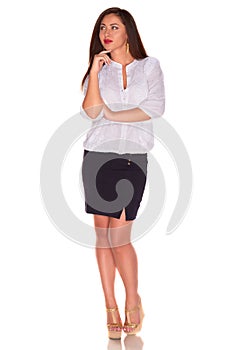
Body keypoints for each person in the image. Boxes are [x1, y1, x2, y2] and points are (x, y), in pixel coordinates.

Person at [80, 7, 165, 340]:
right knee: (102, 235)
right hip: (96, 157)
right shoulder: (98, 69)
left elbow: (155, 107)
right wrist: (93, 69)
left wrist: (111, 116)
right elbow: (91, 112)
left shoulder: (150, 66)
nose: (107, 32)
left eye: (114, 26)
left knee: (120, 236)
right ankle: (110, 306)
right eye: (103, 27)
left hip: (133, 157)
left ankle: (133, 299)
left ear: (128, 31)